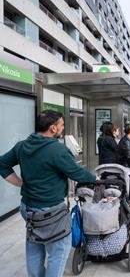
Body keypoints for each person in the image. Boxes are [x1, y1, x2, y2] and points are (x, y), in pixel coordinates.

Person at [0, 110, 97, 277]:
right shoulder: (57, 150)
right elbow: (77, 173)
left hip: (28, 208)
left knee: (34, 244)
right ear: (53, 128)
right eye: (61, 125)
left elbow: (2, 164)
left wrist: (20, 183)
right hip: (52, 212)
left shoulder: (22, 146)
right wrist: (95, 177)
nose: (63, 128)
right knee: (58, 252)